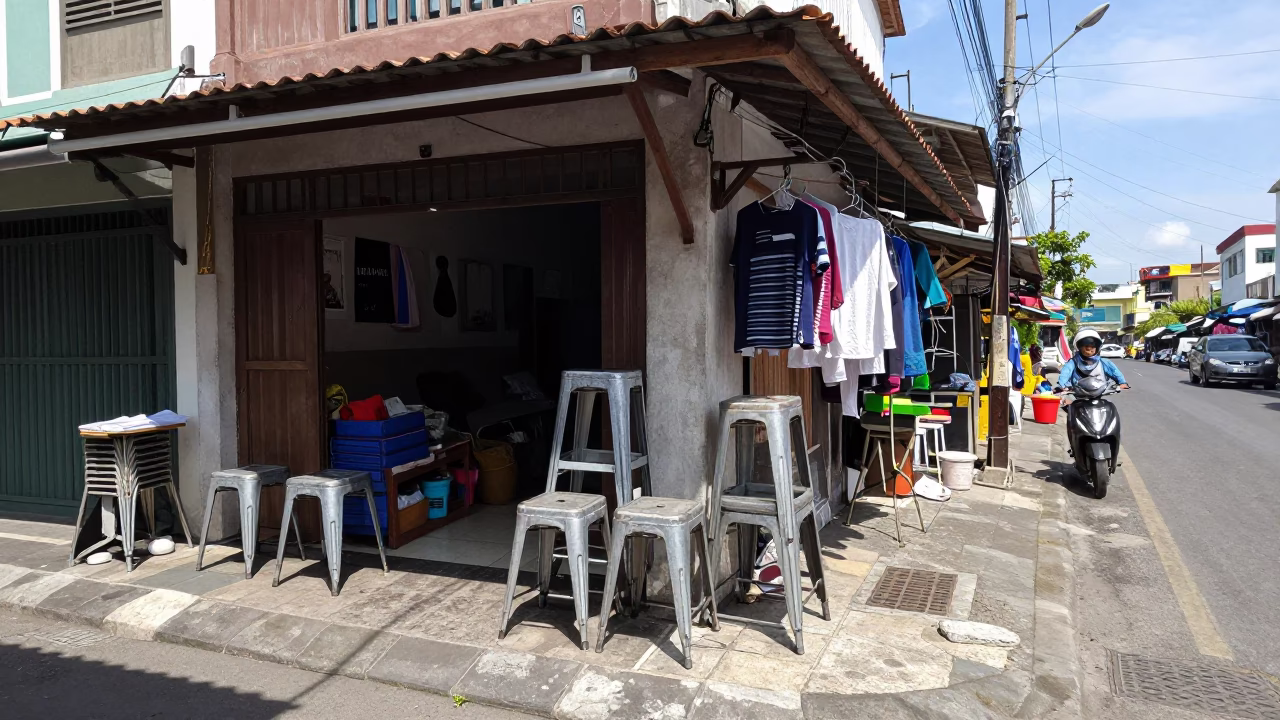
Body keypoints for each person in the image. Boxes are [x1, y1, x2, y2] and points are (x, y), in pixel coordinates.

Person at [1057, 328, 1130, 390]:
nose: (1089, 348)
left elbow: (1115, 372)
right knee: (1067, 404)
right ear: (1079, 347)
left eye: (1092, 346)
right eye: (1086, 345)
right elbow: (1065, 374)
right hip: (1077, 394)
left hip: (1099, 392)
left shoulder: (1103, 362)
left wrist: (1122, 383)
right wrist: (1061, 387)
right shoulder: (1073, 362)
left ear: (1097, 348)